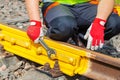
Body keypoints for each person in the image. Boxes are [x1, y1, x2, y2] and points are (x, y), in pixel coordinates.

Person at [25, 0, 120, 51]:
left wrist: (99, 23)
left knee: (114, 22)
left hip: (87, 4)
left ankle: (82, 37)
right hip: (56, 4)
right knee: (63, 26)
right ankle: (59, 39)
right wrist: (35, 23)